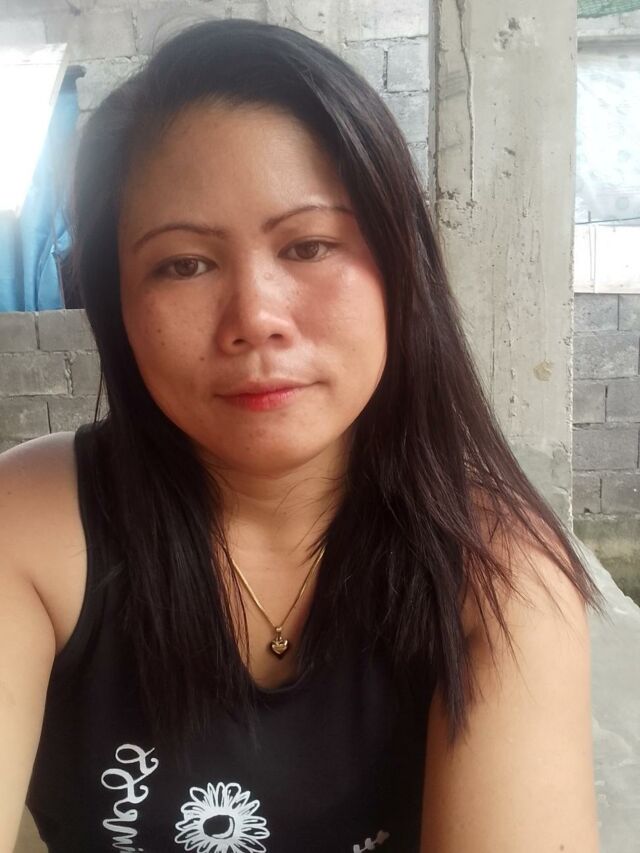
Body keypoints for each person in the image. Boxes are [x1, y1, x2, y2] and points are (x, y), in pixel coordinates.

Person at [0, 18, 605, 853]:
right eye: (183, 263)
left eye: (310, 245)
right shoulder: (29, 530)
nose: (256, 317)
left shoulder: (500, 573)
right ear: (119, 307)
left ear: (402, 269)